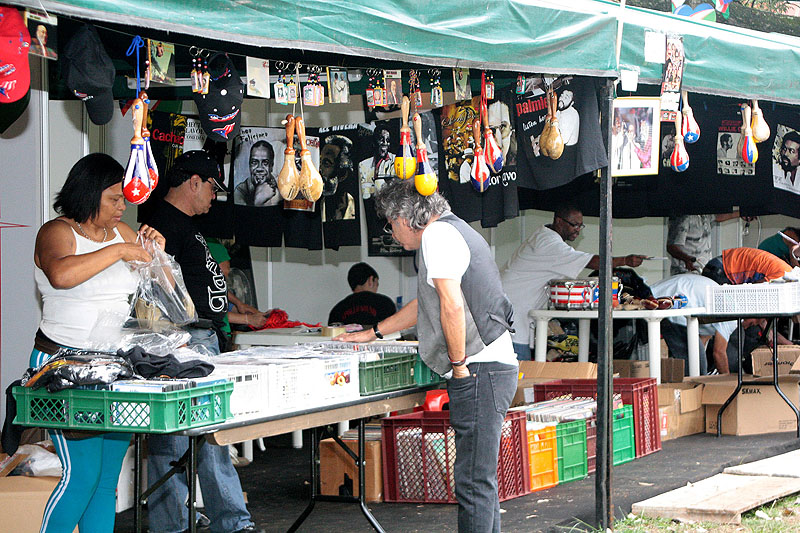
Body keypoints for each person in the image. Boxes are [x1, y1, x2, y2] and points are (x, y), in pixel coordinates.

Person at [335, 178, 517, 533]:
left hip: (479, 368)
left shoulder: (437, 236)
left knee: (473, 483)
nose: (392, 233)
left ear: (405, 218)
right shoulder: (453, 229)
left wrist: (459, 366)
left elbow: (451, 304)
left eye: (390, 224)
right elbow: (427, 303)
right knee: (479, 481)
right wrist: (373, 333)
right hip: (490, 367)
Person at [31, 153, 164, 532]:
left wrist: (158, 253)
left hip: (114, 367)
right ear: (89, 194)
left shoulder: (122, 232)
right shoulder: (57, 231)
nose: (123, 207)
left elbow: (165, 287)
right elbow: (61, 275)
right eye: (114, 199)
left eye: (124, 199)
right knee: (82, 475)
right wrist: (119, 251)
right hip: (64, 367)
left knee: (107, 480)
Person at [146, 150, 263, 533]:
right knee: (177, 438)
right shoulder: (163, 223)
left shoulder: (184, 224)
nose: (214, 196)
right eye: (212, 187)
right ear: (193, 182)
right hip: (182, 339)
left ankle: (217, 520)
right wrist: (175, 342)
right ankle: (182, 522)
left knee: (207, 432)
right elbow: (155, 288)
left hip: (200, 337)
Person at [499, 204, 646, 360]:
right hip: (511, 316)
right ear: (559, 221)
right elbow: (592, 262)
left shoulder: (545, 237)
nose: (578, 230)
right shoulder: (549, 244)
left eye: (580, 226)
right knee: (518, 370)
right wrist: (625, 260)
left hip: (511, 314)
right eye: (574, 225)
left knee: (522, 368)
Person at [650, 274, 736, 374]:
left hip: (666, 295)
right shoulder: (733, 318)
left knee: (696, 363)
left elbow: (703, 339)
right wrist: (728, 381)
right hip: (669, 302)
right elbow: (719, 353)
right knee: (696, 368)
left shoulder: (728, 307)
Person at [666, 213, 741, 275]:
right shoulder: (682, 217)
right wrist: (687, 259)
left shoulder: (704, 214)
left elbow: (718, 217)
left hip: (704, 271)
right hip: (686, 272)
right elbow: (671, 247)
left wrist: (741, 213)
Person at [328, 262, 396, 327]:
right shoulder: (385, 304)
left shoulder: (337, 310)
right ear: (370, 280)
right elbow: (394, 329)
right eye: (377, 284)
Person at [702, 246, 792, 285]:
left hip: (724, 265)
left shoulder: (789, 272)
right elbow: (757, 289)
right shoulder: (785, 275)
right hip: (722, 269)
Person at [234, 140, 279, 206]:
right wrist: (258, 201)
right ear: (249, 165)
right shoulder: (240, 191)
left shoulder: (281, 188)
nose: (259, 168)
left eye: (265, 163)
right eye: (254, 162)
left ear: (271, 166)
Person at [359, 124, 396, 199]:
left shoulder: (395, 161)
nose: (385, 143)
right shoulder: (363, 165)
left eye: (387, 140)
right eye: (381, 140)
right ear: (374, 142)